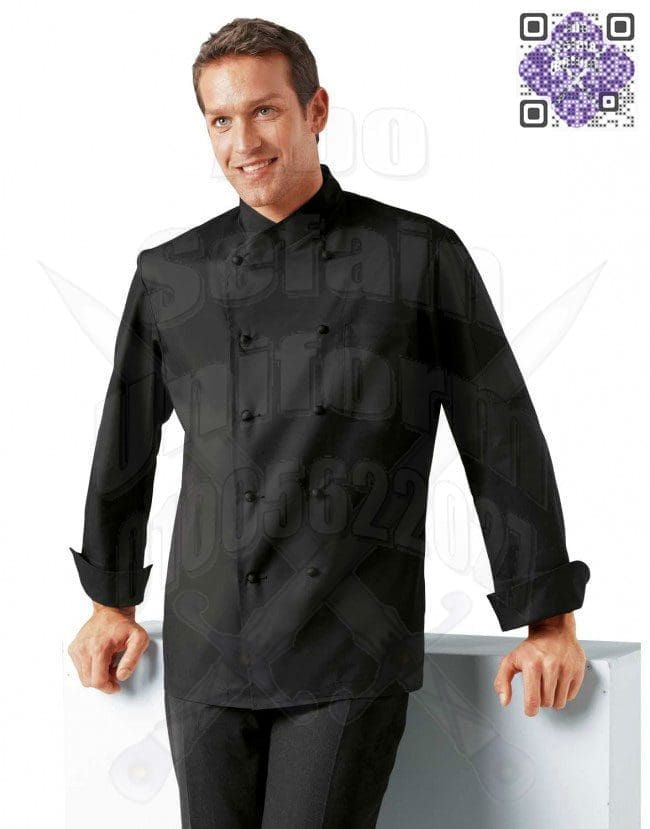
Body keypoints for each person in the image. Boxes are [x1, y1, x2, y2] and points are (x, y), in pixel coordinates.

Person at [66, 17, 591, 828]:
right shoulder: (171, 274)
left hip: (348, 644)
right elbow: (125, 442)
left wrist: (548, 616)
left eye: (265, 111)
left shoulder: (417, 257)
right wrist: (111, 599)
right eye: (221, 119)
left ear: (315, 110)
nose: (244, 142)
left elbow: (500, 436)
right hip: (208, 644)